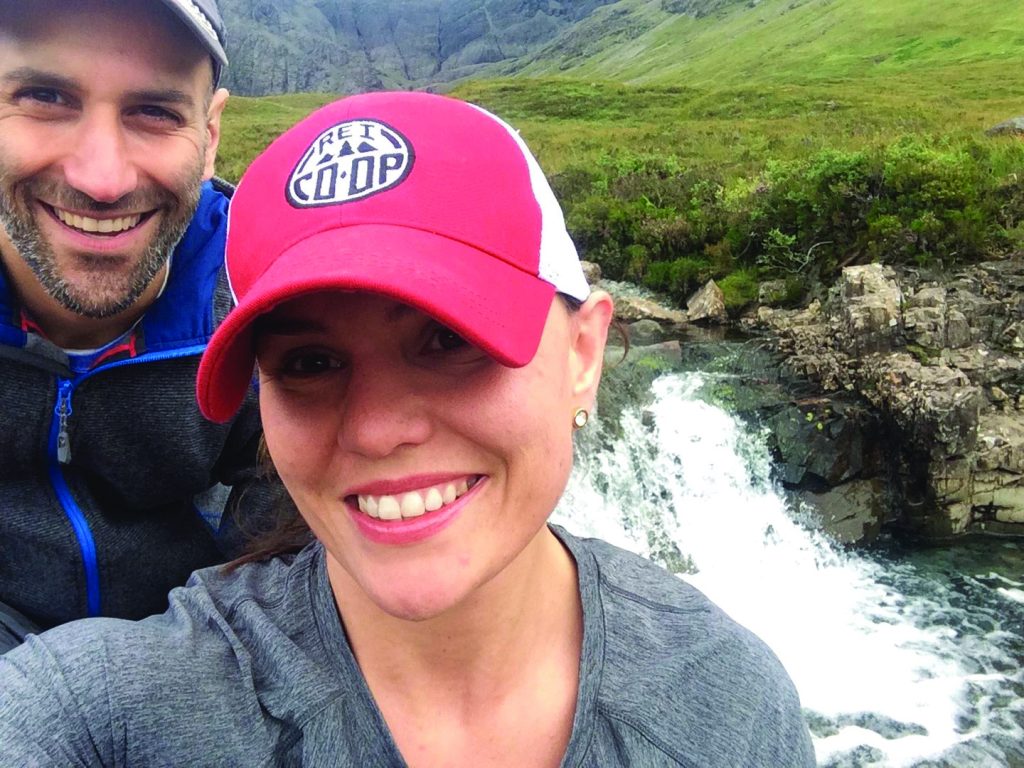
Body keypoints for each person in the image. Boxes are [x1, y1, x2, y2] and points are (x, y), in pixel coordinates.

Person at [0, 91, 815, 766]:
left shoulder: (731, 705)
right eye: (311, 364)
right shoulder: (116, 713)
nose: (381, 430)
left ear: (583, 352)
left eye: (447, 339)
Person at [0, 0, 278, 653]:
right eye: (45, 96)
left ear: (209, 137)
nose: (101, 179)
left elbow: (295, 536)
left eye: (154, 112)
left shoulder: (265, 303)